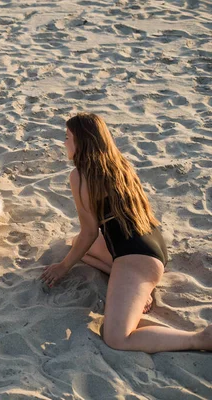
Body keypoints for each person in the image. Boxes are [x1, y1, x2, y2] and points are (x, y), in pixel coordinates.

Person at [41, 113, 211, 353]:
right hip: (153, 244)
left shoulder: (79, 176)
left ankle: (200, 338)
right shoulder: (119, 164)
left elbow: (89, 233)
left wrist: (62, 267)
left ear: (82, 142)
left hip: (136, 258)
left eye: (67, 137)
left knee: (117, 337)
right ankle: (137, 287)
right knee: (74, 246)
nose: (64, 143)